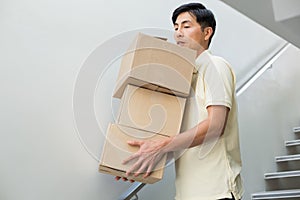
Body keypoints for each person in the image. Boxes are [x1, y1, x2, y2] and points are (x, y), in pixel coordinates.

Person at [116, 2, 243, 200]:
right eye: (175, 27)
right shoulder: (182, 80)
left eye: (186, 26)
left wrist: (161, 146)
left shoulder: (215, 66)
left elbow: (216, 126)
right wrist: (140, 161)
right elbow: (181, 141)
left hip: (215, 192)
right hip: (188, 193)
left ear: (207, 32)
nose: (178, 33)